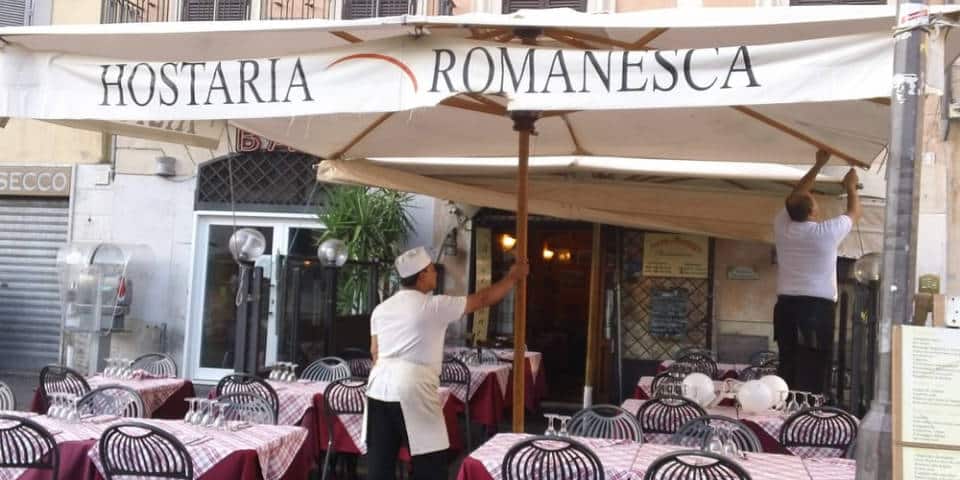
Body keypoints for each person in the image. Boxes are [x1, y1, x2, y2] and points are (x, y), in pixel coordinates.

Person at [364, 246, 529, 480]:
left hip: (378, 386)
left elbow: (375, 352)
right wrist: (512, 277)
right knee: (429, 464)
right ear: (421, 275)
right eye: (432, 270)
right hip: (413, 386)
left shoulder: (381, 310)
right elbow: (482, 299)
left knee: (380, 466)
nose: (436, 274)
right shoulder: (433, 306)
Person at [773, 150, 861, 395]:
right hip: (816, 308)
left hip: (786, 305)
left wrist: (818, 165)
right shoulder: (825, 233)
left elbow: (795, 196)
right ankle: (809, 413)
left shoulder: (783, 227)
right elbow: (854, 213)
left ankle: (785, 407)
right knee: (815, 362)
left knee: (788, 359)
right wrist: (851, 187)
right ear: (812, 211)